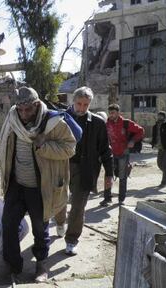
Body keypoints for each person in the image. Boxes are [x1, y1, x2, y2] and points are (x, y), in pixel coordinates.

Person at [0, 87, 76, 283]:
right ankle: (13, 265)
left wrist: (43, 146)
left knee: (40, 229)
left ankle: (41, 263)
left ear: (37, 105)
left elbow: (70, 147)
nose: (24, 115)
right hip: (16, 184)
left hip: (41, 187)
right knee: (8, 225)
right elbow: (4, 145)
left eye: (28, 110)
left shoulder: (53, 122)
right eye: (20, 110)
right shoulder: (13, 119)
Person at [54, 86, 113, 256]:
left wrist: (109, 173)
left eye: (85, 105)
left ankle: (72, 240)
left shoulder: (97, 123)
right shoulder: (61, 118)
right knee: (59, 200)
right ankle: (59, 221)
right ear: (73, 101)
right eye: (79, 103)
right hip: (61, 167)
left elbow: (105, 149)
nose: (81, 108)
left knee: (78, 207)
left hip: (85, 169)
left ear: (89, 104)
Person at [100, 104, 144, 207]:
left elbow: (141, 131)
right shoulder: (107, 124)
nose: (111, 115)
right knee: (108, 176)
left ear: (118, 113)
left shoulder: (126, 123)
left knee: (122, 177)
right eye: (110, 113)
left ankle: (121, 199)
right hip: (111, 153)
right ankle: (107, 198)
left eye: (113, 113)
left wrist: (133, 140)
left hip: (123, 153)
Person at [151, 111, 166, 187]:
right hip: (160, 147)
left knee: (165, 165)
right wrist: (152, 143)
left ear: (164, 117)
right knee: (159, 164)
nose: (159, 118)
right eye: (158, 116)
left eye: (161, 116)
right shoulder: (155, 126)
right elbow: (154, 137)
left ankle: (164, 182)